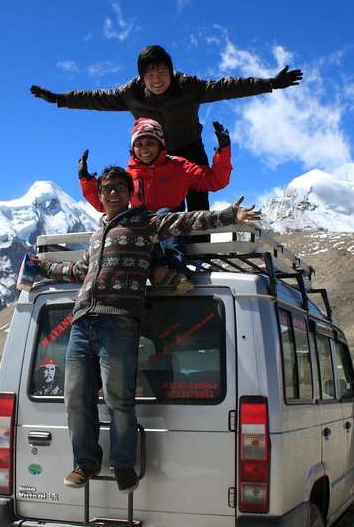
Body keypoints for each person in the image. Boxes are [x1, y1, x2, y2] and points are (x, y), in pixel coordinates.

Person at [29, 166, 262, 492]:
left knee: (119, 398)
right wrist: (42, 267)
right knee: (75, 398)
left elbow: (185, 221)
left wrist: (229, 215)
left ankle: (123, 464)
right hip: (82, 322)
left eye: (119, 187)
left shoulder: (144, 223)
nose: (113, 192)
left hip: (119, 321)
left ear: (129, 193)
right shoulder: (96, 236)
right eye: (107, 188)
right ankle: (85, 463)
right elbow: (78, 271)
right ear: (100, 196)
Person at [30, 44, 301, 211]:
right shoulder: (131, 93)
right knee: (165, 208)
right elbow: (95, 98)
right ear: (142, 77)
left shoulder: (189, 86)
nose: (157, 80)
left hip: (190, 149)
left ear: (171, 72)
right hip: (155, 157)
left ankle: (198, 255)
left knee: (198, 204)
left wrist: (270, 83)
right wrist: (59, 99)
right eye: (150, 75)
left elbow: (227, 87)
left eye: (162, 73)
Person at [79, 117, 234, 291]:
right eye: (139, 144)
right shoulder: (129, 175)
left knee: (163, 214)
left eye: (150, 143)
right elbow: (107, 204)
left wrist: (223, 150)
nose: (144, 149)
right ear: (133, 148)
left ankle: (177, 272)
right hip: (142, 232)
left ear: (160, 144)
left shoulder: (179, 167)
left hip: (174, 228)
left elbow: (214, 180)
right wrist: (86, 180)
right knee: (131, 228)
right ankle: (162, 274)